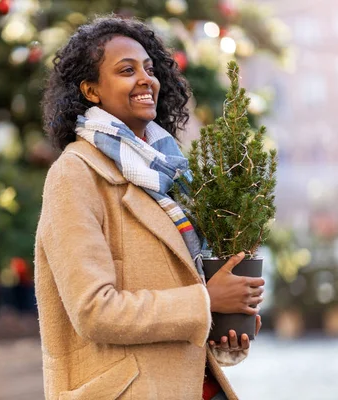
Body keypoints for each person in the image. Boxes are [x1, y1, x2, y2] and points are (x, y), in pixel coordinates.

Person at [35, 16, 264, 400]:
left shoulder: (166, 170)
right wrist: (207, 301)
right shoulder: (75, 175)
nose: (146, 79)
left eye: (150, 69)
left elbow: (179, 295)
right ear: (91, 90)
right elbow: (94, 311)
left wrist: (224, 328)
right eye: (127, 70)